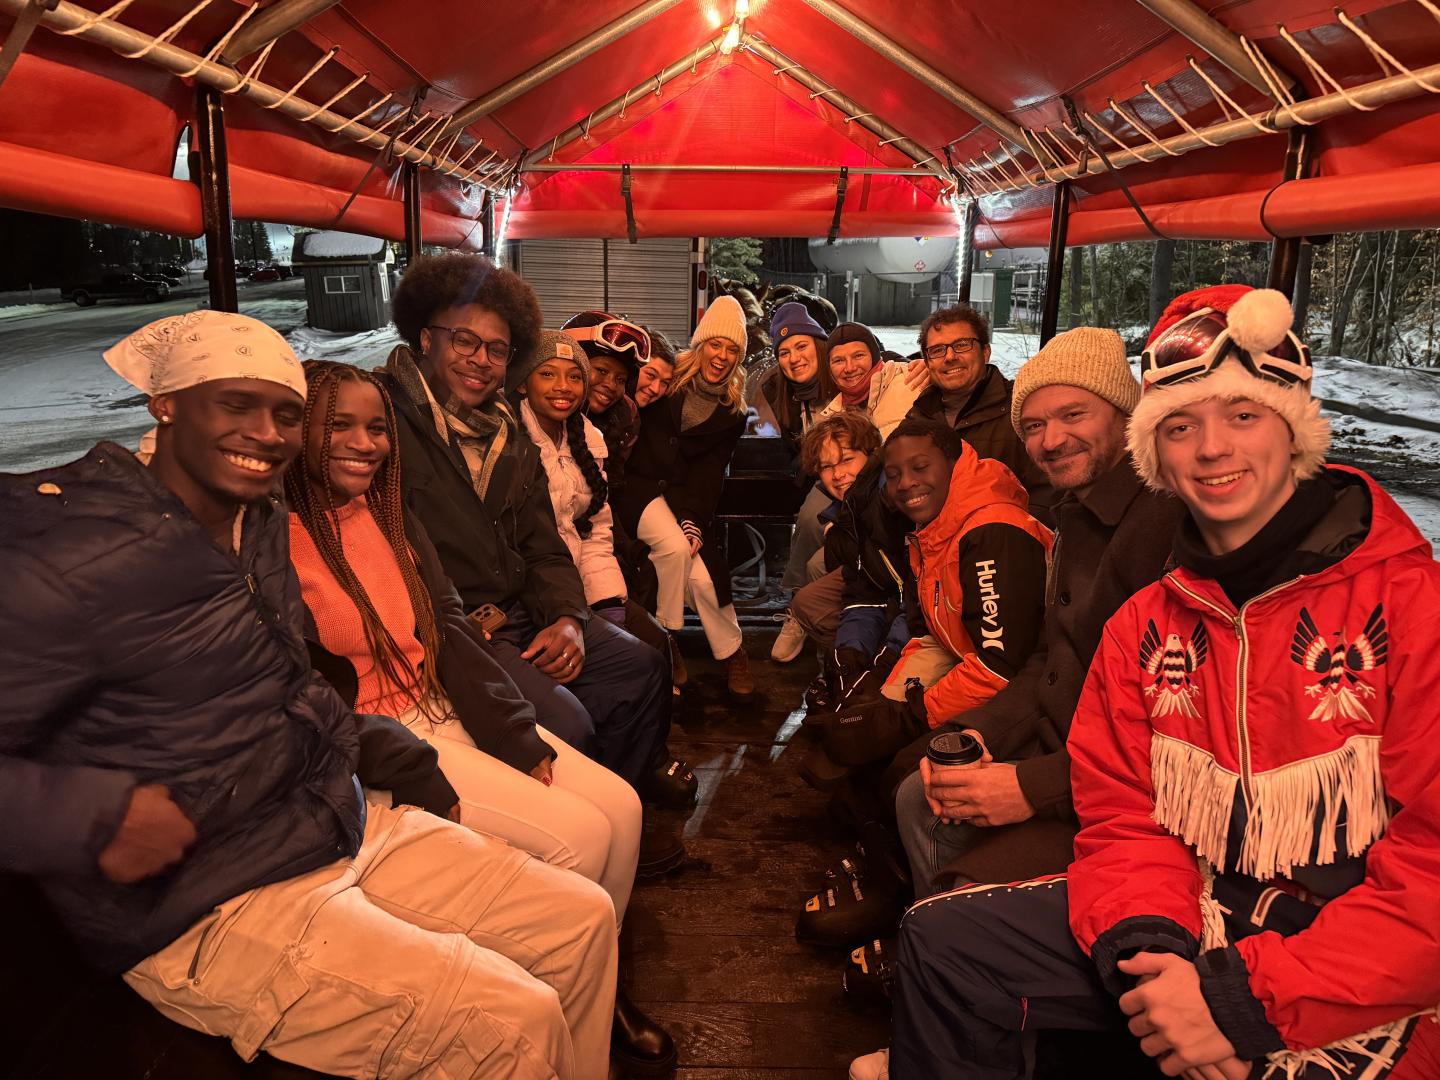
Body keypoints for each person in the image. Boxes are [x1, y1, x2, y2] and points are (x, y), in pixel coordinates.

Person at [0, 311, 619, 1078]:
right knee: (510, 1021)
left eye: (286, 413)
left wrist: (393, 753)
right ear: (165, 404)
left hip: (323, 821)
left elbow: (289, 684)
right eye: (234, 404)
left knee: (581, 920)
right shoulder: (69, 554)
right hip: (200, 901)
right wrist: (93, 818)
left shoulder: (255, 523)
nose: (266, 433)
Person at [853, 286, 1440, 1080]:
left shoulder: (1409, 612)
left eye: (1243, 416)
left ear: (1296, 431)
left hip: (1351, 952)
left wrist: (1241, 1006)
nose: (1209, 449)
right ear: (1154, 449)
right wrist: (1153, 960)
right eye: (1180, 425)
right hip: (1191, 904)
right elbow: (1124, 812)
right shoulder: (1152, 621)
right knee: (943, 930)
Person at [285, 358, 677, 1071]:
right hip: (385, 734)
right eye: (338, 424)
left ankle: (597, 986)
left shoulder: (385, 508)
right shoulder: (275, 535)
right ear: (296, 429)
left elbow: (449, 623)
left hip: (435, 702)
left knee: (622, 807)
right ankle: (556, 1007)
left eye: (377, 428)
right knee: (580, 839)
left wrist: (513, 731)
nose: (366, 443)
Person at [375, 252, 690, 809]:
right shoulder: (384, 422)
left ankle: (622, 805)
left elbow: (545, 544)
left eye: (497, 349)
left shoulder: (504, 431)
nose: (480, 360)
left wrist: (569, 619)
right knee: (567, 723)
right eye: (463, 341)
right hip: (450, 630)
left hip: (521, 610)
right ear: (426, 338)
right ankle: (571, 840)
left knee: (640, 666)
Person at [892, 327, 1184, 895]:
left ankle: (944, 931)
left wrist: (1034, 786)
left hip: (1119, 795)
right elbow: (1053, 659)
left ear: (1126, 416)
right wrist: (980, 733)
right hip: (1060, 746)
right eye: (1033, 426)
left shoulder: (1163, 526)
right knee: (918, 786)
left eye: (1074, 415)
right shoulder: (1074, 515)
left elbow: (1172, 726)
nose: (1051, 441)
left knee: (949, 863)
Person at [805, 417, 1051, 790]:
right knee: (854, 737)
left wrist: (913, 713)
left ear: (953, 464)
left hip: (1021, 686)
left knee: (901, 773)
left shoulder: (992, 533)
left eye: (921, 468)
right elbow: (930, 628)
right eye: (894, 474)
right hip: (959, 655)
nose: (906, 483)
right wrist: (883, 694)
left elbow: (1000, 667)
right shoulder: (931, 527)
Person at [511, 329, 682, 683]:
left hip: (579, 580)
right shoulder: (508, 440)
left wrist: (607, 602)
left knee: (654, 646)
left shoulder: (588, 437)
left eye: (574, 376)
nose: (563, 386)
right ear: (522, 382)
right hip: (532, 593)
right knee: (627, 667)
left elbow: (594, 526)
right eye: (548, 374)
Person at [612, 295, 754, 698]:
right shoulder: (670, 380)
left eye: (732, 349)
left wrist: (693, 518)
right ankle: (667, 640)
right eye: (716, 344)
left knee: (705, 578)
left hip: (681, 502)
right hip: (638, 492)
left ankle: (732, 653)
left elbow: (711, 473)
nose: (722, 356)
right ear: (701, 344)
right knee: (674, 551)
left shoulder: (732, 411)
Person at [774, 321, 926, 662]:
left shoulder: (905, 379)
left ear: (875, 357)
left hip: (891, 495)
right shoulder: (829, 406)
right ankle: (826, 644)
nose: (849, 366)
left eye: (859, 356)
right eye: (838, 360)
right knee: (812, 520)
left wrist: (929, 365)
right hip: (857, 496)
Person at [908, 303, 1054, 523]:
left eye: (962, 345)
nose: (949, 356)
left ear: (985, 352)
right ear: (928, 362)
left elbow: (1048, 494)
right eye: (937, 350)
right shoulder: (919, 414)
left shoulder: (1021, 409)